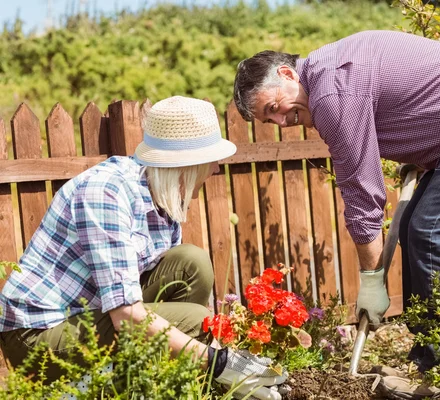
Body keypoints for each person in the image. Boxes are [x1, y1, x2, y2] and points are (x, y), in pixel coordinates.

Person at [233, 30, 440, 398]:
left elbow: (362, 192)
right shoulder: (328, 71)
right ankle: (426, 361)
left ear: (287, 74)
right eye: (271, 122)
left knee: (433, 233)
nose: (283, 123)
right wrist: (419, 149)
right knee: (420, 228)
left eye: (273, 108)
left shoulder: (331, 93)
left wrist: (370, 281)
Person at [0, 96, 286, 400]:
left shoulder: (161, 194)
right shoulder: (107, 193)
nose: (216, 169)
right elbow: (126, 316)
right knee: (191, 321)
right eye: (211, 159)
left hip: (93, 314)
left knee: (192, 263)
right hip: (39, 336)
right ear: (186, 164)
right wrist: (219, 363)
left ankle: (157, 384)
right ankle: (87, 390)